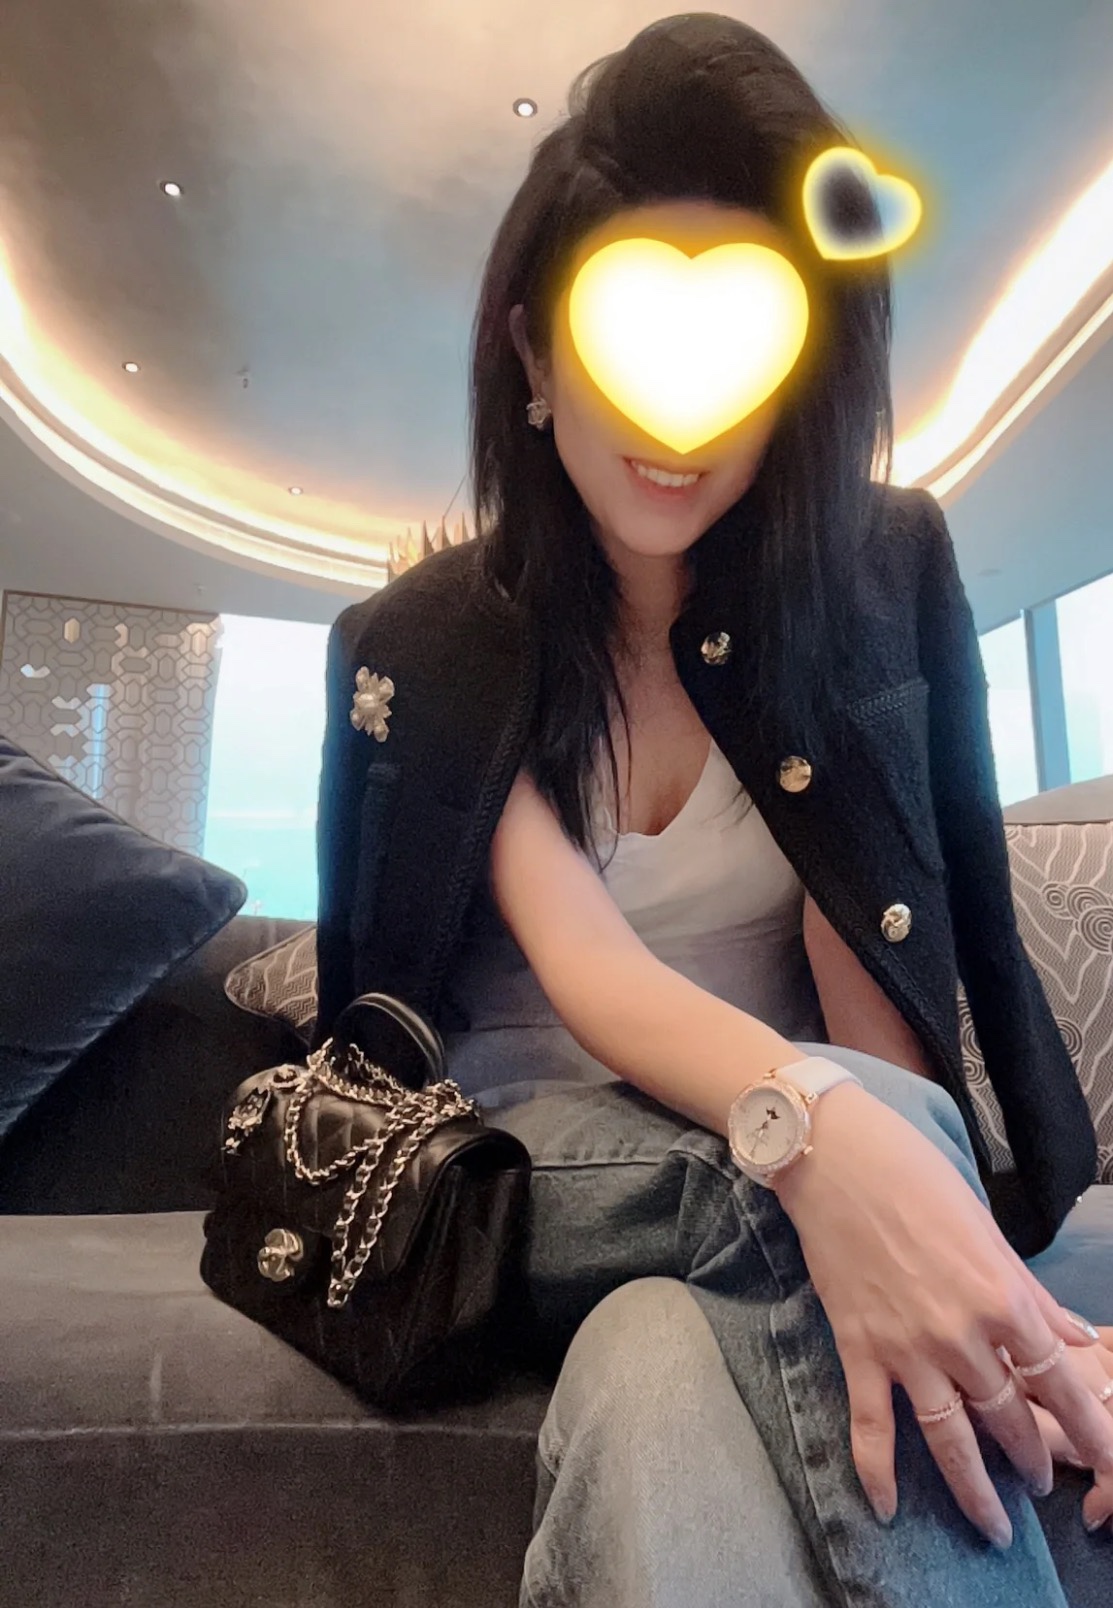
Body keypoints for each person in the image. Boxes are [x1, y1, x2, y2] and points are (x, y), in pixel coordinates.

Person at [314, 14, 1113, 1605]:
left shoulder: (867, 586)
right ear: (535, 355)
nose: (679, 415)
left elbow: (884, 1011)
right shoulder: (441, 638)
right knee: (814, 1165)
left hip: (768, 1175)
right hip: (521, 1179)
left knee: (654, 1373)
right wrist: (1017, 1332)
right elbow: (593, 972)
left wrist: (901, 1205)